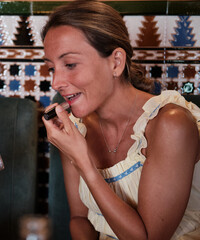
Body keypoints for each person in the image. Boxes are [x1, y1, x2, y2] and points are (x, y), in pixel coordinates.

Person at [41, 1, 200, 239]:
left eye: (70, 64)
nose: (56, 82)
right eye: (52, 68)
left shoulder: (171, 124)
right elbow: (80, 219)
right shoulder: (74, 128)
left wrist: (83, 162)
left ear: (116, 62)